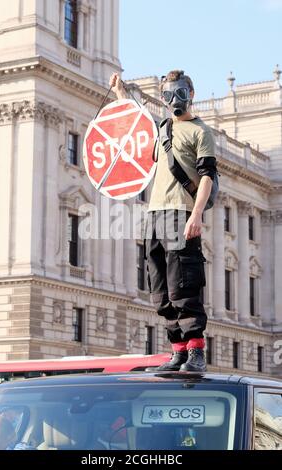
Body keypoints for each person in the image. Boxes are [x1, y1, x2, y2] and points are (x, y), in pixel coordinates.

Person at [109, 70, 217, 372]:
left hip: (181, 215)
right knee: (160, 289)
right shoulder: (163, 129)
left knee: (184, 284)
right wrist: (120, 93)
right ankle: (178, 351)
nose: (174, 100)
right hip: (154, 215)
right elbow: (135, 127)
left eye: (180, 93)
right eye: (168, 95)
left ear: (191, 94)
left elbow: (207, 176)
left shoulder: (200, 131)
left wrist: (196, 215)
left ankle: (196, 351)